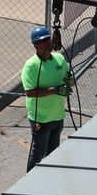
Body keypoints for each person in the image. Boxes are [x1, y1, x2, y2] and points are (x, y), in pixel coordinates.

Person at [22, 26, 72, 171]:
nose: (47, 42)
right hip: (41, 118)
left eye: (48, 39)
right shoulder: (31, 66)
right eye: (43, 41)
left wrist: (69, 82)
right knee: (38, 154)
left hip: (57, 115)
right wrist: (55, 90)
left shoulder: (59, 58)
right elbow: (30, 92)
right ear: (35, 45)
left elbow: (70, 79)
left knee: (54, 153)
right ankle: (29, 183)